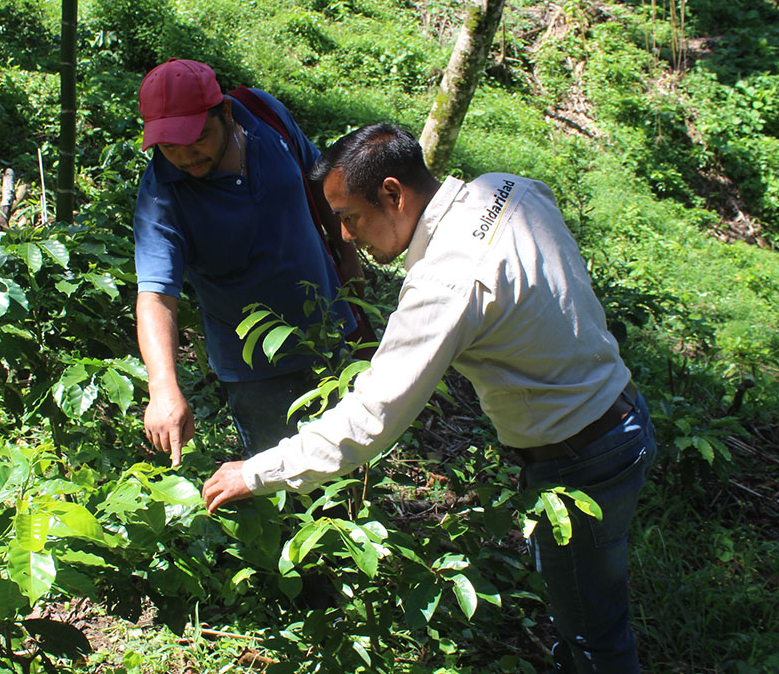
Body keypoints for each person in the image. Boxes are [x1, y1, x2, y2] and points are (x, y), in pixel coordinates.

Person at [201, 124, 657, 673]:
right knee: (582, 605)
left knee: (593, 639)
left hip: (584, 456)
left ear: (393, 194)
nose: (346, 238)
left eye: (350, 218)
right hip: (620, 414)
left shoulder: (447, 278)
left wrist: (256, 473)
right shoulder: (509, 189)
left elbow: (373, 415)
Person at [133, 59, 364, 467]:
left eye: (198, 138)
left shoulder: (263, 114)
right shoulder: (161, 196)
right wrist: (163, 386)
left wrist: (348, 255)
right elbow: (156, 296)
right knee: (286, 480)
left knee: (354, 457)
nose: (186, 157)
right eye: (170, 146)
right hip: (258, 371)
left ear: (224, 112)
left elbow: (320, 181)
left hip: (333, 328)